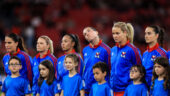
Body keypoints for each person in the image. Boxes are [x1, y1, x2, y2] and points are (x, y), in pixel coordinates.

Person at [110, 22, 142, 96]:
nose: (115, 36)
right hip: (113, 91)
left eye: (117, 33)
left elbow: (140, 70)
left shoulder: (133, 50)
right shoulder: (113, 50)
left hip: (127, 90)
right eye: (113, 33)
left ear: (125, 33)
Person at [82, 27, 111, 95]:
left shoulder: (106, 50)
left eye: (89, 31)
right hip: (86, 87)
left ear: (96, 32)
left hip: (100, 87)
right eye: (85, 34)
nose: (87, 34)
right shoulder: (85, 50)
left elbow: (110, 69)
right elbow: (85, 68)